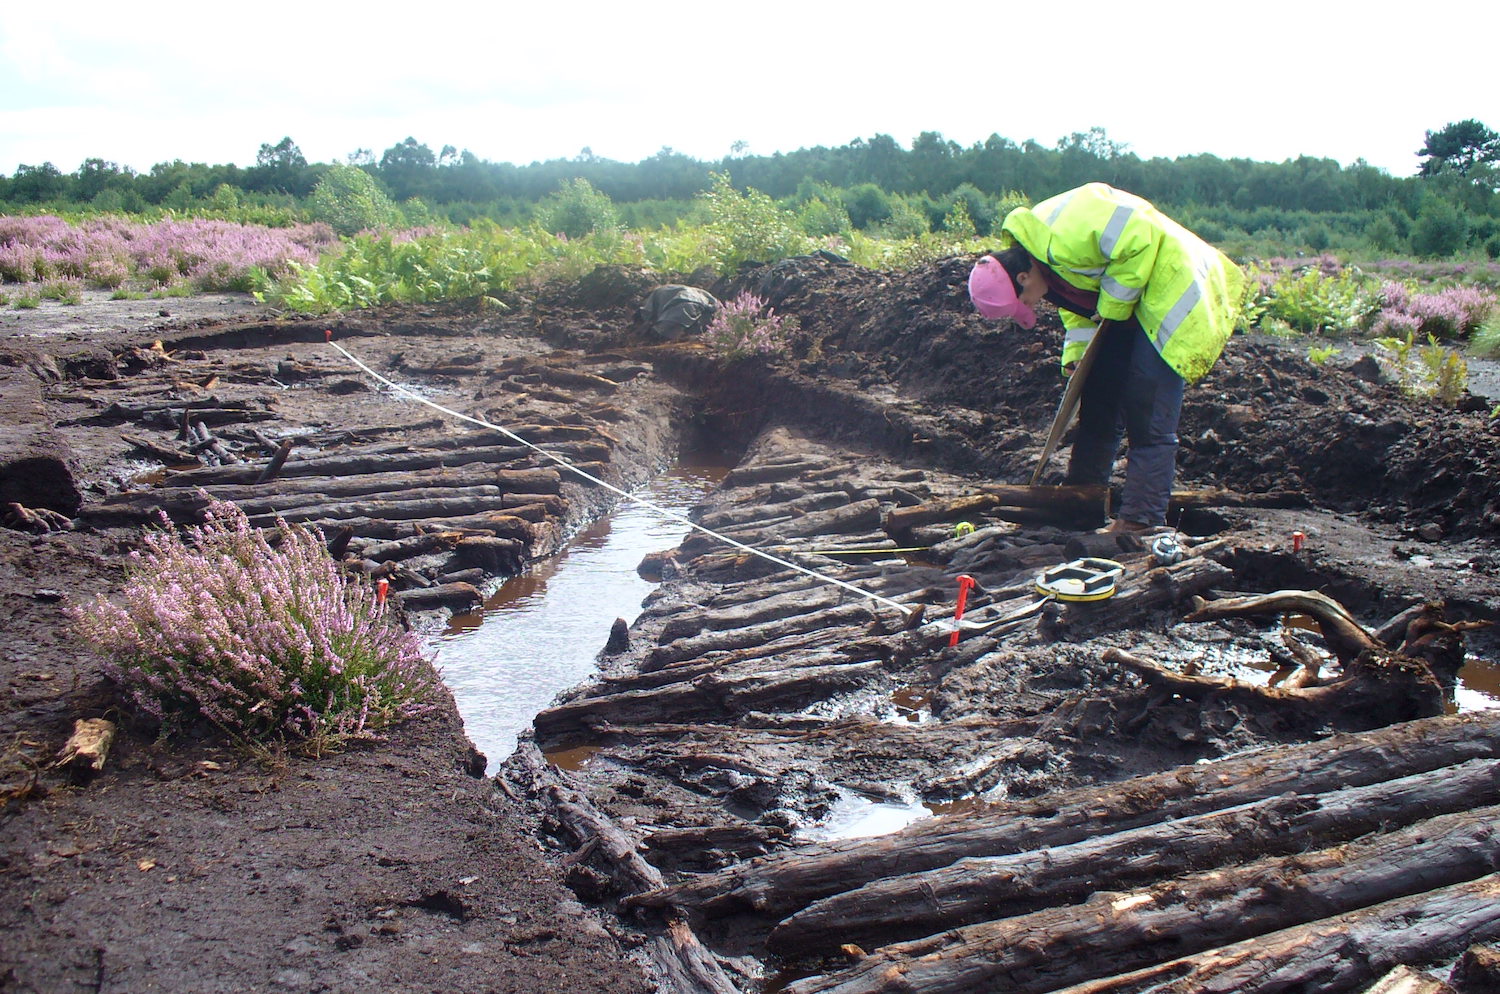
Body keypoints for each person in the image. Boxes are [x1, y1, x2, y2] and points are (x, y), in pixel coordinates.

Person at [968, 182, 1244, 532]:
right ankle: (1082, 502)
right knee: (1098, 395)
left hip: (1175, 285)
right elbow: (1080, 304)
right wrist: (1079, 354)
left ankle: (1141, 520)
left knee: (1148, 405)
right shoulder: (1044, 261)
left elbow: (1140, 235)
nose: (1031, 306)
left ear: (1023, 277)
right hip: (1133, 301)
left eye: (1022, 302)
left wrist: (1111, 310)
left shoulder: (1062, 241)